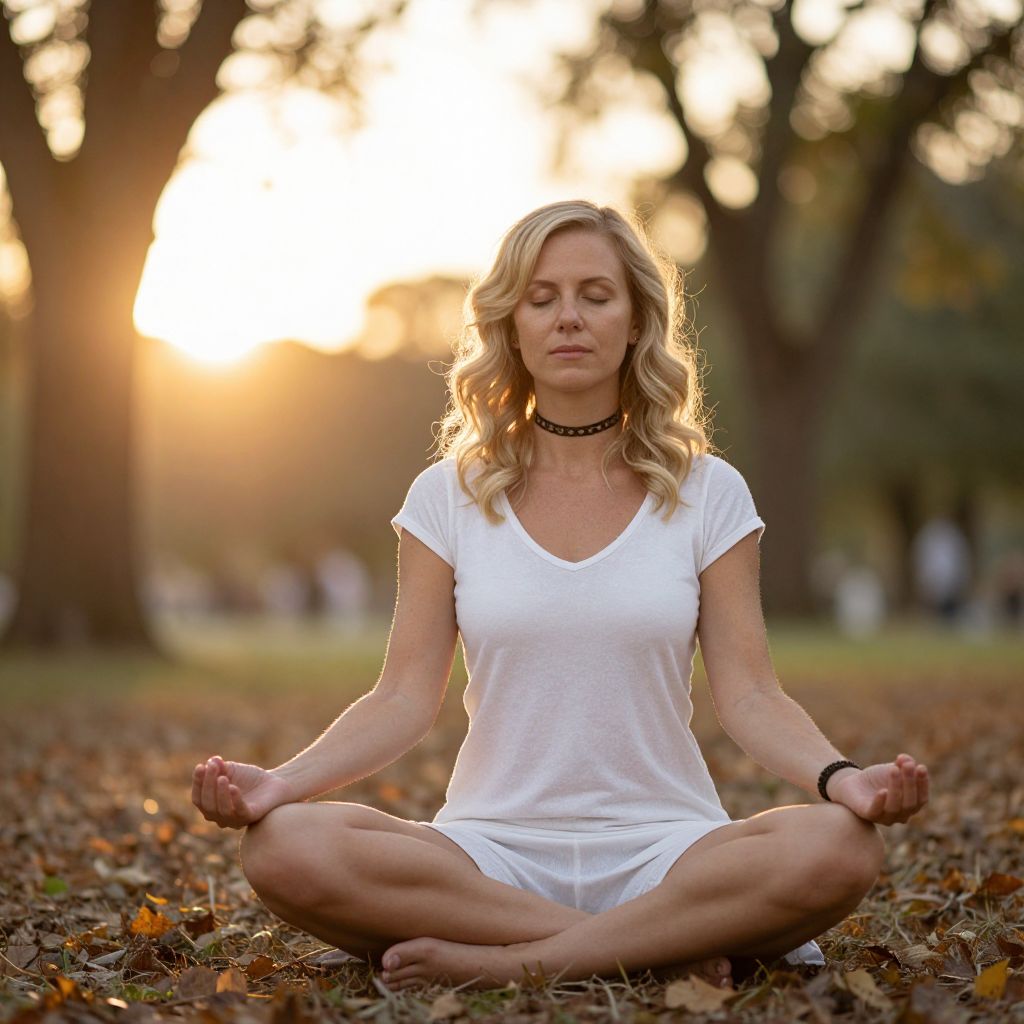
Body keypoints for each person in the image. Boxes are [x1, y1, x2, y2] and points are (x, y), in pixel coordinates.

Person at [191, 200, 930, 992]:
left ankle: (510, 964)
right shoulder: (447, 496)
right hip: (486, 856)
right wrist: (281, 785)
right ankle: (645, 949)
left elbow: (750, 694)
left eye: (595, 295)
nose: (568, 318)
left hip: (670, 849)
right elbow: (402, 696)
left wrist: (841, 779)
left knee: (845, 847)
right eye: (541, 298)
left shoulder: (709, 492)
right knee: (279, 846)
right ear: (510, 325)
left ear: (638, 320)